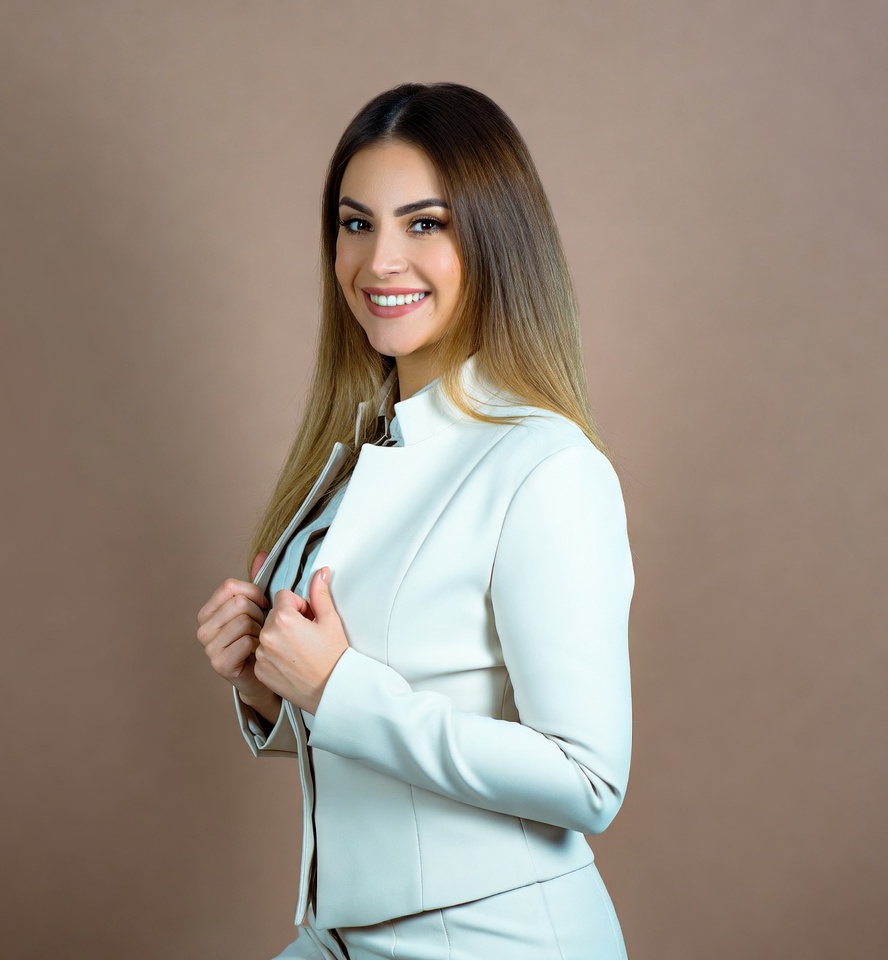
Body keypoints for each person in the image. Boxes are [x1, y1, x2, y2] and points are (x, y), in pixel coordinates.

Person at [196, 82, 634, 960]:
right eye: (357, 224)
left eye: (424, 223)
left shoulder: (545, 468)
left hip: (495, 940)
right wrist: (267, 690)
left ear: (494, 239)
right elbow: (394, 724)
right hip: (343, 936)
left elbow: (588, 779)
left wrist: (335, 687)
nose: (380, 260)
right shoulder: (351, 459)